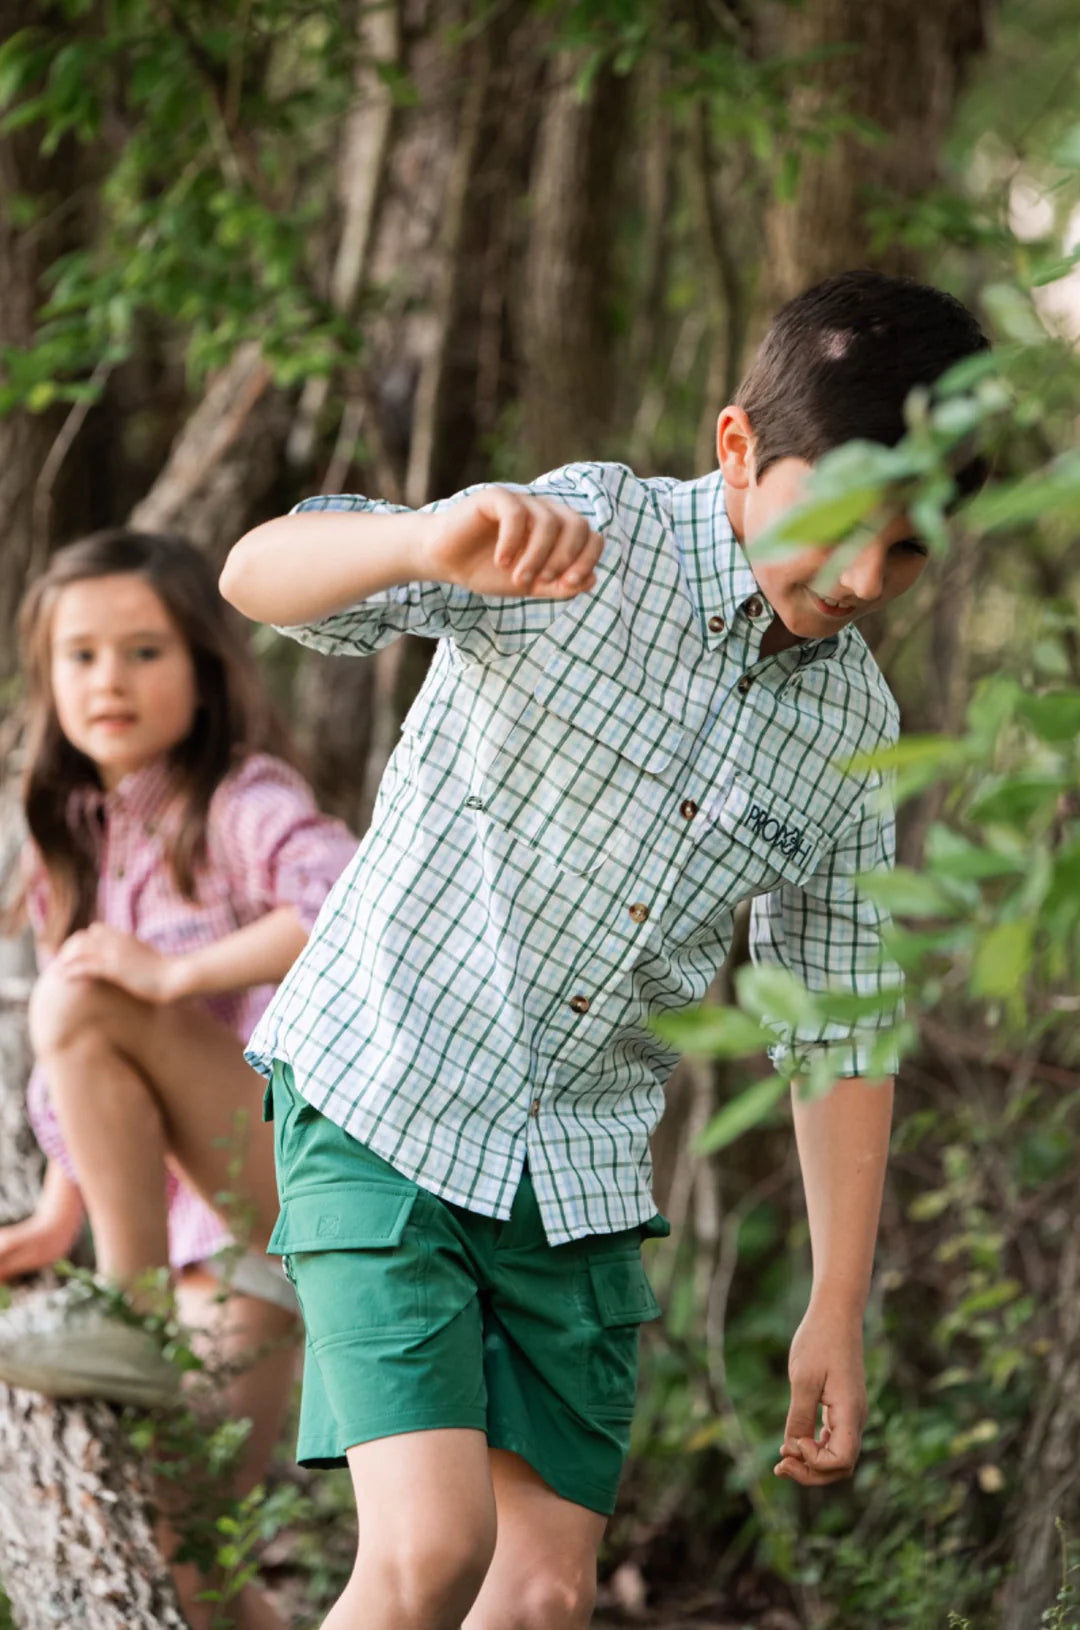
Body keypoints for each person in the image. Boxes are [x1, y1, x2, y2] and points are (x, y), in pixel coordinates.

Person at [218, 269, 990, 1630]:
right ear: (741, 449)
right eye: (851, 523)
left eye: (915, 546)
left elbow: (838, 1024)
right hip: (383, 1092)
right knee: (427, 1551)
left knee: (543, 1593)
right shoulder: (586, 534)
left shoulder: (850, 732)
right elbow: (258, 574)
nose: (870, 577)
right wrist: (421, 539)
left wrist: (838, 1301)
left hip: (572, 1175)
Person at [0, 529, 356, 1630]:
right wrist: (59, 1212)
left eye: (146, 651)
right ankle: (131, 1303)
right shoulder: (72, 831)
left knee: (88, 992)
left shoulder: (242, 798)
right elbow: (102, 1079)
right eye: (83, 655)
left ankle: (128, 1311)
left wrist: (178, 972)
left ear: (205, 670)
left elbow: (348, 904)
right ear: (47, 678)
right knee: (183, 1532)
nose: (110, 679)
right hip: (201, 1218)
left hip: (285, 1174)